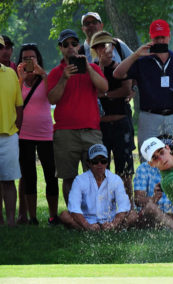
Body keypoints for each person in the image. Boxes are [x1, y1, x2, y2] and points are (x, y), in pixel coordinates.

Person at [114, 19, 173, 161]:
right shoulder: (141, 61)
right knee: (149, 160)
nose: (160, 41)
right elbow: (117, 74)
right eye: (156, 37)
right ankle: (151, 184)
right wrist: (136, 54)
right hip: (150, 117)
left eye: (163, 37)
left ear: (169, 36)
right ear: (151, 38)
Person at [47, 29, 108, 206]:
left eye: (74, 44)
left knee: (97, 174)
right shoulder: (56, 73)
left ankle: (96, 214)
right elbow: (52, 98)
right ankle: (74, 214)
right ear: (60, 48)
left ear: (79, 46)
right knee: (69, 177)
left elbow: (104, 87)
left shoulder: (93, 68)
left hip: (91, 131)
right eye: (66, 45)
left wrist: (88, 68)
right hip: (65, 133)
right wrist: (64, 78)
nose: (70, 48)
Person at [16, 43, 59, 226]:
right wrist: (20, 78)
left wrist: (43, 74)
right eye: (25, 58)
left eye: (32, 57)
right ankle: (32, 217)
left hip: (46, 135)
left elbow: (52, 97)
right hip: (24, 134)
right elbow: (13, 99)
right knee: (28, 176)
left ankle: (52, 216)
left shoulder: (45, 78)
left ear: (38, 59)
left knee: (51, 175)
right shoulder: (18, 80)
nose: (28, 61)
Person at [90, 31, 135, 206]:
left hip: (121, 123)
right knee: (100, 168)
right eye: (99, 46)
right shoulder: (92, 69)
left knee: (124, 169)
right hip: (100, 126)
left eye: (106, 45)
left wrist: (106, 94)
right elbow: (93, 90)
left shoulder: (120, 67)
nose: (104, 49)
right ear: (94, 49)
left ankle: (127, 207)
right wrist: (99, 66)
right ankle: (104, 209)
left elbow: (126, 89)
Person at [59, 144, 137, 230]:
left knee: (133, 215)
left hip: (110, 220)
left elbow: (124, 205)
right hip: (87, 220)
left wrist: (113, 224)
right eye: (95, 161)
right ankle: (87, 229)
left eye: (103, 161)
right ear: (88, 163)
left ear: (107, 162)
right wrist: (87, 225)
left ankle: (106, 229)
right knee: (64, 215)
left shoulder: (115, 179)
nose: (100, 164)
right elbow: (74, 208)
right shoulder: (79, 180)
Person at [133, 134, 173, 231]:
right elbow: (138, 200)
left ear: (170, 150)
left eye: (162, 152)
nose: (162, 158)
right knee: (151, 207)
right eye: (155, 157)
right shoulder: (144, 169)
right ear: (150, 162)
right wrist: (153, 198)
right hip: (152, 215)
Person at [0, 35, 23, 227]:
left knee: (9, 181)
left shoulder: (11, 73)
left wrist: (17, 130)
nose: (3, 51)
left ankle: (10, 222)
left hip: (8, 136)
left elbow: (18, 106)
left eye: (6, 47)